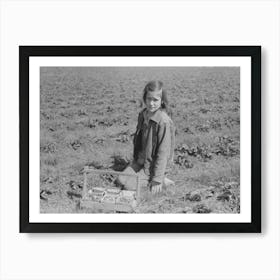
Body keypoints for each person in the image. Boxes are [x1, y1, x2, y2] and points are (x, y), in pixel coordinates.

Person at [117, 80, 175, 194]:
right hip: (141, 161)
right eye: (149, 99)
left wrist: (157, 179)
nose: (151, 103)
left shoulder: (163, 122)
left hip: (153, 165)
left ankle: (162, 179)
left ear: (162, 101)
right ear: (145, 98)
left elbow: (163, 153)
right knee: (120, 180)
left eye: (155, 100)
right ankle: (143, 173)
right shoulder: (143, 115)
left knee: (129, 188)